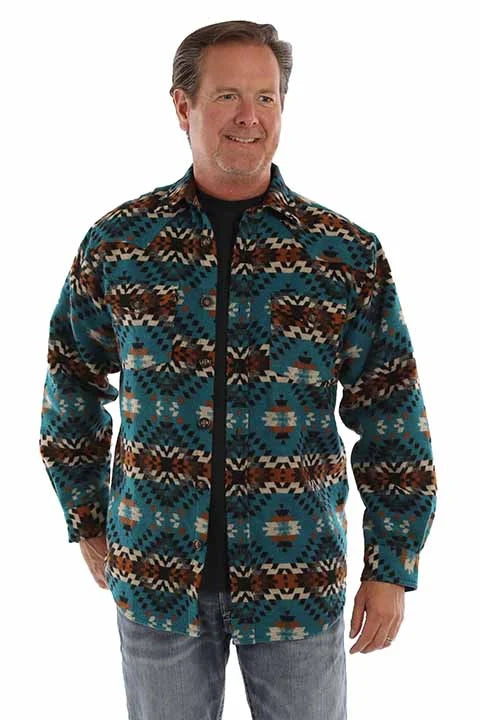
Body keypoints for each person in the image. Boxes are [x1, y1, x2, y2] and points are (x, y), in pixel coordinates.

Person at [39, 19, 437, 720]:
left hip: (296, 582)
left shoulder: (342, 254)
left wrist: (392, 565)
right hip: (156, 578)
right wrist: (87, 518)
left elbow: (391, 412)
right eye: (227, 96)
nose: (249, 116)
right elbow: (71, 377)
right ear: (183, 106)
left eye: (266, 97)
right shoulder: (120, 245)